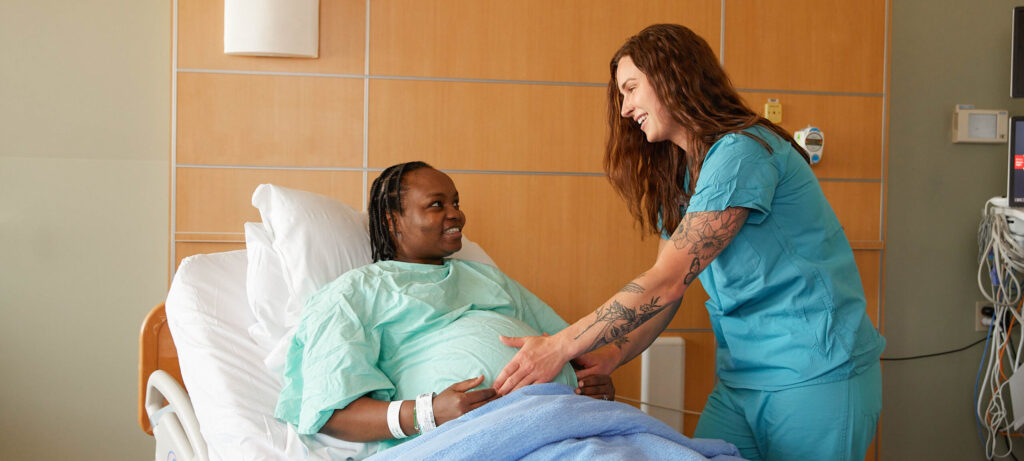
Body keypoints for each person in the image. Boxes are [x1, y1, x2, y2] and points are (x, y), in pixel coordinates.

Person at [492, 24, 885, 461]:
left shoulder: (744, 152)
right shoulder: (687, 177)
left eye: (631, 89)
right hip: (742, 381)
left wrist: (562, 345)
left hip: (815, 375)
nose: (625, 109)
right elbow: (664, 293)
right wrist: (613, 354)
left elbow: (667, 281)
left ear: (671, 76)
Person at [274, 161, 615, 450]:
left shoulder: (489, 279)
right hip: (469, 440)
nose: (457, 214)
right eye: (437, 205)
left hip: (569, 425)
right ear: (393, 222)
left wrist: (594, 384)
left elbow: (565, 348)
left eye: (455, 202)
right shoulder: (354, 294)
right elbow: (331, 413)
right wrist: (428, 413)